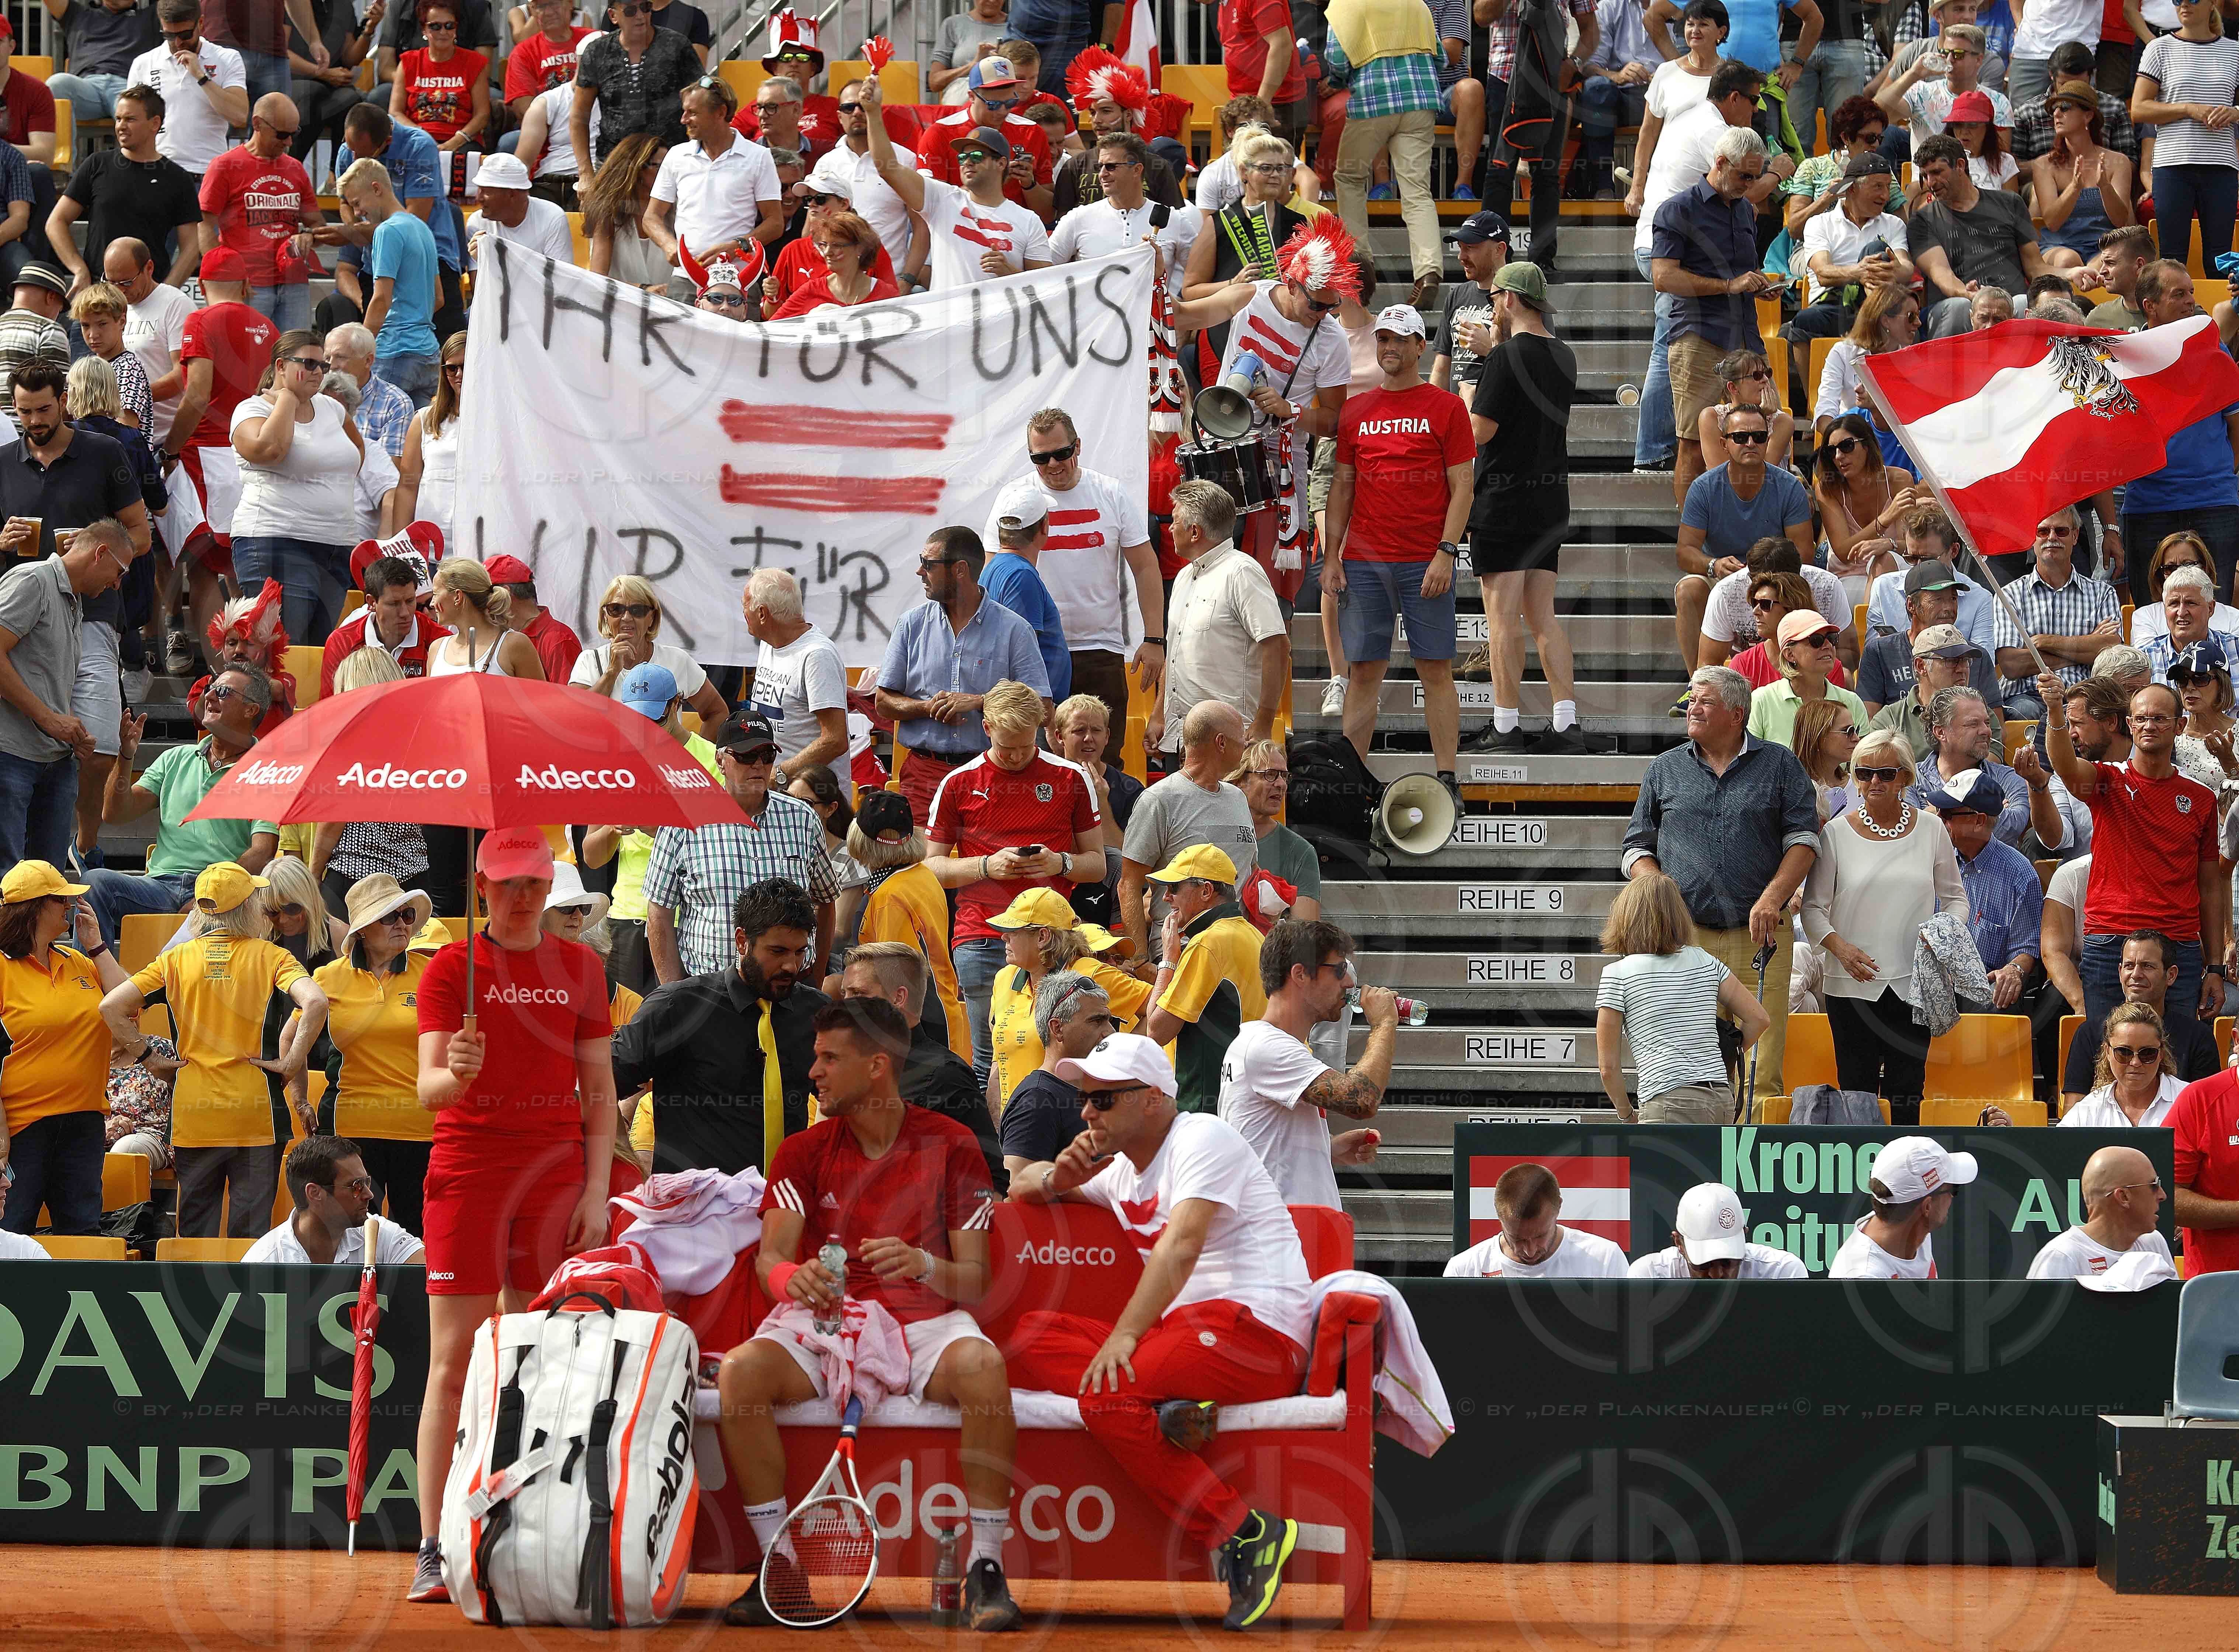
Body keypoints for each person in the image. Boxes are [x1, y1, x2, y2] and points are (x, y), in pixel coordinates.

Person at [717, 994, 1021, 1631]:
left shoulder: (954, 1145)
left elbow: (974, 1281)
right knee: (741, 1374)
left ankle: (986, 1568)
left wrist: (922, 1265)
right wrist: (790, 1277)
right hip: (829, 1317)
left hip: (925, 1319)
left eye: (830, 1058)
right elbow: (769, 1258)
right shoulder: (802, 1152)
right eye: (815, 1057)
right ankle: (781, 1563)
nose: (815, 1071)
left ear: (877, 1067)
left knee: (984, 1372)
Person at [1007, 1031, 1320, 1630]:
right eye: (1085, 1099)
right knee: (1030, 1335)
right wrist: (1058, 1175)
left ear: (1151, 1099)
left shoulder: (1202, 1136)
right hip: (1192, 1335)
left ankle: (1244, 1531)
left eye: (1103, 1099)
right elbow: (1019, 1184)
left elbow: (1180, 1247)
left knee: (1104, 1393)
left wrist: (1125, 1337)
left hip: (1255, 1335)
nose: (1086, 1111)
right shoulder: (1120, 1172)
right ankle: (1164, 1408)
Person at [405, 826, 615, 1604]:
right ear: (483, 886)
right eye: (509, 883)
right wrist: (455, 1073)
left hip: (556, 1170)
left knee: (537, 1353)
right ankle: (432, 1542)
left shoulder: (584, 965)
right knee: (454, 1358)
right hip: (471, 1168)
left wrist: (596, 1189)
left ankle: (523, 1528)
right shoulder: (449, 969)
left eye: (536, 882)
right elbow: (428, 1093)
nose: (524, 897)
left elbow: (598, 1088)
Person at [101, 860, 328, 1237]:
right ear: (247, 907)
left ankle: (193, 1297)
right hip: (255, 1115)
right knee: (250, 1235)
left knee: (194, 1232)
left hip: (194, 1114)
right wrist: (291, 1060)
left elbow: (111, 1007)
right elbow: (317, 1003)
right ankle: (247, 1299)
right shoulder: (271, 956)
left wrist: (147, 1057)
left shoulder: (175, 959)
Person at [1624, 665, 1817, 1092]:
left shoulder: (1781, 764)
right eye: (1691, 700)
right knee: (1687, 1061)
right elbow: (1637, 849)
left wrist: (1772, 899)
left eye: (1704, 701)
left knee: (1761, 1070)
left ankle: (1757, 1157)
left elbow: (1804, 842)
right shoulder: (1664, 769)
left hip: (1761, 936)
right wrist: (1660, 893)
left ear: (1737, 714)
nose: (1692, 708)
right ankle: (1697, 1152)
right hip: (1683, 939)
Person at [926, 676, 1101, 1082]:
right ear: (986, 728)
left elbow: (1098, 863)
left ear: (1042, 727)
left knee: (1063, 1054)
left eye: (1026, 745)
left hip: (1054, 938)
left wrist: (1060, 863)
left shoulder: (1071, 777)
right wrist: (987, 866)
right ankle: (1001, 1147)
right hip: (982, 936)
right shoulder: (959, 783)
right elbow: (932, 868)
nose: (1018, 756)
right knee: (992, 1060)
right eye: (1007, 747)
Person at [1801, 728, 1968, 1117]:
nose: (1874, 782)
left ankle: (1906, 1176)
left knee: (1908, 1090)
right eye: (1864, 773)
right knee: (1855, 1093)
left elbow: (1956, 900)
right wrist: (1839, 949)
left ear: (1906, 778)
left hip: (1916, 985)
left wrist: (1940, 936)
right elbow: (1812, 909)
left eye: (1886, 774)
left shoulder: (1932, 829)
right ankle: (1861, 1177)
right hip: (1850, 984)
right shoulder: (1836, 834)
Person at [2043, 672, 2225, 1027]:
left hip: (2179, 945)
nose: (2149, 726)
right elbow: (2065, 767)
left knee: (2173, 1059)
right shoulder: (2107, 781)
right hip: (2111, 940)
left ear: (2180, 725)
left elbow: (2210, 886)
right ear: (2129, 723)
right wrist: (2055, 713)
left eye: (2160, 719)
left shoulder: (2202, 800)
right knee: (2109, 1054)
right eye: (2141, 718)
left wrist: (2215, 966)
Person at [611, 875, 825, 1177]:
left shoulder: (817, 1013)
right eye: (777, 952)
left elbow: (852, 1103)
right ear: (742, 941)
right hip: (695, 1213)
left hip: (784, 1209)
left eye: (800, 952)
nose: (791, 966)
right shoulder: (678, 1007)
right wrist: (624, 1170)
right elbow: (597, 1085)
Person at [1448, 264, 1576, 759]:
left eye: (1496, 298)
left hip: (1504, 499)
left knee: (1502, 621)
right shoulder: (1564, 354)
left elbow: (1479, 431)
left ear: (1513, 300)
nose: (1493, 307)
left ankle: (1505, 725)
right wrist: (1494, 354)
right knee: (1544, 618)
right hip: (1550, 499)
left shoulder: (1506, 357)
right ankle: (1567, 722)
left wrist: (1465, 393)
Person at [979, 407, 1159, 740]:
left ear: (1078, 446)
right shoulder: (1014, 497)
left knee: (1103, 762)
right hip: (1033, 652)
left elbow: (1145, 566)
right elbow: (996, 574)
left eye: (1061, 454)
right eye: (1041, 458)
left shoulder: (1110, 492)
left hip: (1099, 647)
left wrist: (1154, 638)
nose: (1052, 465)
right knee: (1033, 762)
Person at [87, 660, 280, 942]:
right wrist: (126, 757)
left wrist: (213, 892)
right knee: (94, 884)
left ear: (251, 710)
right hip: (159, 887)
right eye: (211, 689)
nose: (210, 696)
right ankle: (89, 983)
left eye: (223, 692)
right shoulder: (175, 758)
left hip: (222, 894)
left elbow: (262, 852)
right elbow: (115, 814)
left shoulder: (266, 772)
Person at [873, 526, 1052, 826]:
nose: (920, 571)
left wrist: (982, 702)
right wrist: (927, 707)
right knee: (920, 868)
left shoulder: (1014, 629)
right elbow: (883, 702)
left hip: (992, 772)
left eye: (928, 564)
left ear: (960, 570)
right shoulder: (911, 625)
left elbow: (1044, 711)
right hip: (923, 775)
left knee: (988, 866)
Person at [644, 712, 839, 985]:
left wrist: (815, 982)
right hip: (711, 988)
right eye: (747, 756)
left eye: (767, 755)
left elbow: (826, 901)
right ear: (721, 762)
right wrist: (674, 995)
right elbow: (659, 913)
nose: (758, 765)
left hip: (790, 986)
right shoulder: (683, 821)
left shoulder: (803, 819)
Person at [1218, 916, 1392, 1207]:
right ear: (1300, 974)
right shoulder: (1267, 1047)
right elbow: (1362, 1099)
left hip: (1291, 1235)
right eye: (1339, 971)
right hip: (1280, 1239)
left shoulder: (1265, 1045)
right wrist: (1384, 1024)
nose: (1350, 983)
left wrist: (1327, 1149)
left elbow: (1263, 1144)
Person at [1653, 123, 1782, 506]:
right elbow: (1663, 277)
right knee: (1693, 443)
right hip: (1699, 336)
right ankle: (1692, 536)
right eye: (1745, 175)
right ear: (1721, 163)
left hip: (1745, 338)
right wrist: (1729, 286)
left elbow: (1741, 273)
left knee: (1755, 439)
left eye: (1756, 176)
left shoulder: (1746, 210)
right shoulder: (1678, 209)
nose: (1750, 184)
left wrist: (1759, 287)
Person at [0, 861, 128, 1236]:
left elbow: (131, 1004)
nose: (71, 906)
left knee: (83, 1235)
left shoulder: (79, 962)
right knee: (11, 1233)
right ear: (36, 907)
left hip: (83, 1124)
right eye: (62, 900)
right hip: (23, 1128)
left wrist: (99, 946)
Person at [305, 872, 437, 1229]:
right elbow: (294, 1042)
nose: (401, 924)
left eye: (406, 915)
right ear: (362, 929)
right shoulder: (326, 978)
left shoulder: (435, 974)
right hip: (352, 1128)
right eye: (389, 916)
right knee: (354, 1235)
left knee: (419, 1232)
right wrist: (300, 1098)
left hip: (422, 1126)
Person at [580, 663, 720, 995]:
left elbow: (720, 845)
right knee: (630, 1033)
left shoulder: (713, 760)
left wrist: (655, 826)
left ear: (677, 705)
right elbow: (592, 857)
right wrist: (613, 829)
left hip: (691, 915)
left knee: (681, 1028)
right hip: (629, 912)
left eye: (654, 719)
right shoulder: (617, 763)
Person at [0, 517, 130, 868]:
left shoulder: (73, 600)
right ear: (100, 553)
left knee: (46, 885)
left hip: (53, 760)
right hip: (12, 754)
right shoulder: (33, 580)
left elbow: (45, 681)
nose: (117, 585)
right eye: (119, 573)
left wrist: (70, 732)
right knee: (10, 884)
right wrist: (50, 719)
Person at [1595, 868, 1768, 1124]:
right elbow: (1760, 1020)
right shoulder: (1705, 961)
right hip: (1720, 1096)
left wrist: (1626, 1114)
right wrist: (1724, 1057)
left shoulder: (1617, 974)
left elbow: (1608, 1069)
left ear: (1625, 918)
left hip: (1666, 1098)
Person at [229, 328, 364, 646]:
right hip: (278, 542)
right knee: (286, 652)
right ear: (280, 366)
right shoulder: (252, 410)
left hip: (335, 546)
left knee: (320, 652)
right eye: (309, 364)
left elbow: (356, 451)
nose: (319, 372)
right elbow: (270, 450)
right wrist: (287, 397)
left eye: (324, 366)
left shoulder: (331, 408)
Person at [2119, 264, 2239, 603]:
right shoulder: (2126, 359)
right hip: (2149, 506)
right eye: (2179, 294)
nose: (2190, 302)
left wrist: (2222, 473)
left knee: (2217, 610)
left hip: (2215, 503)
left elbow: (2236, 424)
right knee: (2152, 614)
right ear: (2150, 306)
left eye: (2191, 292)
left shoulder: (2215, 351)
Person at [833, 940, 1001, 1181]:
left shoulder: (946, 1076)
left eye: (859, 994)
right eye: (845, 994)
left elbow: (988, 1174)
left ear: (898, 997)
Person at [835, 790, 972, 1062]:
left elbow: (892, 984)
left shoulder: (890, 896)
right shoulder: (921, 874)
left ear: (863, 841)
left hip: (920, 1030)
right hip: (942, 1016)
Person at [1675, 409, 1816, 671]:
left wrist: (1767, 578)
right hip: (1721, 573)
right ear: (1724, 444)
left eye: (1759, 436)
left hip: (1778, 575)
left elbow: (1803, 553)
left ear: (1768, 440)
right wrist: (1714, 565)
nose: (1751, 443)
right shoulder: (1704, 488)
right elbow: (1685, 552)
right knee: (1687, 591)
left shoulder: (1789, 487)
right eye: (1740, 437)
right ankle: (1698, 684)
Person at [1119, 700, 1261, 960]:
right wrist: (1140, 960)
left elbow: (1248, 873)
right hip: (1180, 952)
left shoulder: (1238, 798)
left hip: (1236, 948)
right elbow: (1129, 884)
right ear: (1221, 743)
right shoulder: (1159, 800)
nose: (1246, 746)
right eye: (1242, 739)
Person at [1163, 477, 1289, 755]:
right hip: (1182, 740)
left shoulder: (1242, 572)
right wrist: (1160, 716)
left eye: (1174, 521)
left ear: (1194, 532)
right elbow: (1172, 652)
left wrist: (1264, 722)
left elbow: (1278, 646)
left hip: (1231, 741)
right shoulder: (1184, 576)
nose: (1170, 529)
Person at [1136, 844, 1268, 1109]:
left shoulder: (1208, 942)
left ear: (1206, 891)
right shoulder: (1254, 935)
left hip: (1214, 1102)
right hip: (1250, 1095)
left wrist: (1169, 960)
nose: (1166, 898)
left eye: (1174, 888)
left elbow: (1156, 1030)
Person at [49, 84, 201, 296]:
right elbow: (55, 222)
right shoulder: (96, 164)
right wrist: (79, 270)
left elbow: (192, 249)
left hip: (148, 298)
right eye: (119, 119)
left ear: (154, 124)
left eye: (130, 119)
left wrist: (165, 294)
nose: (121, 126)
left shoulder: (177, 178)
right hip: (97, 294)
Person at [1907, 132, 2058, 337]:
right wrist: (1968, 294)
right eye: (1925, 176)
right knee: (1959, 307)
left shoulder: (2010, 203)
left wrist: (2071, 274)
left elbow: (2036, 267)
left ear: (1960, 165)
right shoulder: (1922, 221)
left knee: (2025, 304)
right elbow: (1942, 275)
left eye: (1937, 172)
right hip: (1959, 304)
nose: (1930, 183)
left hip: (2010, 301)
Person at [644, 76, 781, 298]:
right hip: (686, 278)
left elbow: (775, 223)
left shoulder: (759, 157)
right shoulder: (677, 155)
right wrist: (669, 246)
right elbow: (651, 217)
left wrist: (737, 246)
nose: (683, 120)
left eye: (693, 113)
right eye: (685, 111)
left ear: (720, 113)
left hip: (740, 279)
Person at [199, 92, 320, 333]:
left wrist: (309, 235)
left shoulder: (295, 169)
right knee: (249, 360)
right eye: (282, 135)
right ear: (257, 125)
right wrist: (225, 278)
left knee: (296, 357)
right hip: (249, 284)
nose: (289, 143)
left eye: (294, 134)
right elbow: (203, 226)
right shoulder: (225, 166)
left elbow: (317, 223)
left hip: (293, 281)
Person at [2132, 0, 2239, 271]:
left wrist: (2236, 112)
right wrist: (2188, 109)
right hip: (2173, 165)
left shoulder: (2235, 51)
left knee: (2220, 258)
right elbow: (2139, 108)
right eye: (2178, 0)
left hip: (2221, 165)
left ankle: (2221, 315)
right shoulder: (2159, 47)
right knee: (2172, 257)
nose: (2183, 5)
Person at [1927, 766, 2041, 1014]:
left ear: (1979, 820)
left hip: (1980, 984)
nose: (1939, 819)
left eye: (1948, 814)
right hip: (1930, 975)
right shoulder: (1928, 859)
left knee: (1996, 997)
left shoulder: (2019, 875)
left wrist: (2014, 971)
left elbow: (2026, 949)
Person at [1991, 507, 2122, 717]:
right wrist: (2085, 649)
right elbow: (2011, 665)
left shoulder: (2103, 594)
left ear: (2075, 536)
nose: (2052, 538)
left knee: (2100, 715)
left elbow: (2111, 651)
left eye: (2061, 531)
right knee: (2023, 711)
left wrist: (2046, 642)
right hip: (2028, 695)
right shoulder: (2008, 595)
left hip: (2084, 695)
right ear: (2032, 537)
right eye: (2043, 532)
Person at [333, 155, 439, 408]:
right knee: (416, 439)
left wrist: (362, 351)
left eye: (357, 203)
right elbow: (439, 297)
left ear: (377, 189)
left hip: (395, 352)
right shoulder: (423, 229)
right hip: (428, 353)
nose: (357, 213)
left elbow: (381, 299)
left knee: (371, 431)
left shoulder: (387, 231)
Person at [984, 886, 1099, 1108]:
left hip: (1073, 1121)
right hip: (1017, 1123)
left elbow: (1157, 1011)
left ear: (1043, 937)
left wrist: (1113, 1057)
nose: (1003, 937)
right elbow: (999, 1062)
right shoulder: (1004, 979)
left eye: (1013, 930)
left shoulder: (1088, 972)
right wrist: (996, 1123)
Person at [243, 1133, 427, 1264]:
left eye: (366, 1183)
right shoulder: (264, 1262)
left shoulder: (380, 1233)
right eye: (356, 1187)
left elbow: (433, 1275)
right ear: (315, 1193)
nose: (369, 1195)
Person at [566, 572, 726, 723]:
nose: (627, 618)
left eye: (638, 610)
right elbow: (576, 719)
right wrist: (612, 673)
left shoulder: (677, 660)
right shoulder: (589, 661)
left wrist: (692, 751)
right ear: (606, 616)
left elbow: (717, 712)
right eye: (616, 609)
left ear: (652, 618)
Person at [997, 967, 1112, 1176]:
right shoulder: (1038, 1100)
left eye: (1108, 1020)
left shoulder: (1095, 1089)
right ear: (1058, 1028)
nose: (1110, 1032)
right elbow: (1015, 1192)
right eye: (1097, 1021)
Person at [740, 566, 846, 785]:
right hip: (775, 791)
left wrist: (780, 775)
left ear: (762, 614)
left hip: (811, 799)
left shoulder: (817, 656)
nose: (743, 613)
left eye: (745, 606)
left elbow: (835, 740)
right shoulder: (770, 643)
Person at [1791, 152, 1912, 342]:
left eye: (1888, 187)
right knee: (1806, 320)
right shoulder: (1819, 223)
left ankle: (1873, 318)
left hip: (1880, 305)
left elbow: (1906, 268)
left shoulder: (1894, 224)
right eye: (1878, 187)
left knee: (1877, 250)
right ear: (1853, 188)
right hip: (1834, 305)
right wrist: (1860, 272)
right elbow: (1823, 273)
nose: (1886, 196)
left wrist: (1896, 270)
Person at [128, 0, 250, 181]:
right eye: (169, 35)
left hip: (208, 174)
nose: (178, 43)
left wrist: (201, 76)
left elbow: (239, 115)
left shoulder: (227, 58)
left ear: (200, 24)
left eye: (185, 35)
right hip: (157, 173)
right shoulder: (144, 64)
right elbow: (130, 124)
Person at [1444, 1160, 1630, 1276]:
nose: (1530, 1251)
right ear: (1499, 1217)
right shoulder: (1464, 1269)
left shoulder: (1605, 1259)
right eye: (1518, 1240)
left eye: (1540, 1236)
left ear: (1559, 1208)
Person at [1826, 1135, 1976, 1279]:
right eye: (1954, 1190)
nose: (1952, 1198)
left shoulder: (1912, 1223)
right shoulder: (1864, 1277)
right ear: (1928, 1207)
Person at [2025, 1142, 2177, 1283]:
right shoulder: (2061, 1258)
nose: (2163, 1195)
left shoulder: (2153, 1242)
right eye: (2154, 1185)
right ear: (2123, 1197)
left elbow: (2174, 1309)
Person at [569, 0, 695, 170]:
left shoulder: (677, 46)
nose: (640, 16)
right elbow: (579, 118)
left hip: (670, 162)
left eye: (645, 8)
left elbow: (698, 99)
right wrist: (585, 173)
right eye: (630, 11)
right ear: (613, 16)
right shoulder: (597, 52)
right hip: (615, 165)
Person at [2024, 80, 2134, 267]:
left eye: (2065, 108)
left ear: (2088, 116)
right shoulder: (2044, 165)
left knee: (2105, 264)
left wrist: (2105, 187)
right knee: (2069, 260)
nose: (2057, 114)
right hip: (2058, 246)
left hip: (2104, 246)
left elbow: (2121, 221)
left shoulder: (2118, 162)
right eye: (2055, 110)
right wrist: (2075, 187)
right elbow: (2052, 222)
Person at [980, 480, 1070, 702]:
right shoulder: (1021, 575)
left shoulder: (994, 568)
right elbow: (1022, 652)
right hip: (1030, 711)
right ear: (1044, 528)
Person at [1812, 413, 1914, 602]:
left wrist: (1888, 544)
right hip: (1848, 576)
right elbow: (1844, 553)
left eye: (1847, 446)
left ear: (1867, 445)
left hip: (1895, 572)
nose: (1839, 457)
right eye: (1831, 451)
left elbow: (1911, 546)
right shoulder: (1828, 489)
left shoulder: (1899, 480)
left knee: (1883, 562)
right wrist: (1884, 520)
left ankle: (1869, 630)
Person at [317, 554, 448, 693]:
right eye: (394, 604)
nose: (405, 613)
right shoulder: (342, 642)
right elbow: (331, 706)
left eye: (410, 601)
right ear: (372, 603)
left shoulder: (440, 640)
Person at [1629, 1181, 1811, 1277]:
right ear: (1679, 1244)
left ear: (1744, 1238)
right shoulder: (1650, 1275)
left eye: (1728, 1262)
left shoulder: (1783, 1272)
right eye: (1704, 1264)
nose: (1717, 1275)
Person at [1811, 284, 1920, 443]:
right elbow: (1825, 413)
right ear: (1886, 320)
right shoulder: (1843, 353)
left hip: (1895, 444)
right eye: (1911, 316)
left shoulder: (1911, 359)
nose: (1918, 323)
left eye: (1918, 315)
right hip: (1850, 443)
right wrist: (1843, 445)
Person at [1870, 624, 1992, 764]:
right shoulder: (1889, 720)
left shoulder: (1983, 715)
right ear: (1921, 666)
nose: (1963, 669)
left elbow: (1987, 771)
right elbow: (1882, 775)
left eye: (1966, 661)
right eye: (1952, 661)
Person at [1747, 610, 1871, 748]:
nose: (1828, 646)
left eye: (1832, 638)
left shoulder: (1852, 702)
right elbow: (1752, 765)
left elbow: (1862, 764)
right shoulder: (1761, 702)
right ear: (1790, 654)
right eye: (1816, 640)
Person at [1229, 739, 1321, 923]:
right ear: (1240, 781)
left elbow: (1305, 936)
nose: (1281, 784)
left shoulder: (1300, 852)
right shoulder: (1211, 835)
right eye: (1270, 775)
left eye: (1284, 776)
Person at [390, 330, 466, 552]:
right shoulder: (425, 419)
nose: (460, 374)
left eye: (467, 365)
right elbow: (407, 486)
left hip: (482, 547)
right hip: (430, 548)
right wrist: (399, 547)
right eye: (452, 368)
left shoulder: (500, 419)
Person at [388, 0, 489, 161]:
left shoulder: (475, 62)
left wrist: (455, 142)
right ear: (424, 30)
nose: (443, 32)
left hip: (462, 141)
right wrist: (422, 137)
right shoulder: (408, 62)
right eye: (435, 26)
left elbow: (482, 115)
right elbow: (395, 112)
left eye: (449, 26)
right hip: (416, 137)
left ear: (456, 29)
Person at [483, 551, 579, 684]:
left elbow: (569, 700)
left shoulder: (558, 640)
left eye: (485, 594)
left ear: (506, 592)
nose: (481, 602)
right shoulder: (500, 635)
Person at [462, 152, 573, 266]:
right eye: (479, 190)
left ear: (511, 194)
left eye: (486, 192)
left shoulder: (552, 217)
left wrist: (495, 261)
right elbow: (478, 284)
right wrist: (484, 263)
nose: (478, 198)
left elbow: (560, 279)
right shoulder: (477, 223)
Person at [1792, 696, 1862, 822]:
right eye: (1848, 731)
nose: (1857, 738)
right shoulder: (1791, 792)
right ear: (1819, 737)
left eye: (1856, 730)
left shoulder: (1861, 786)